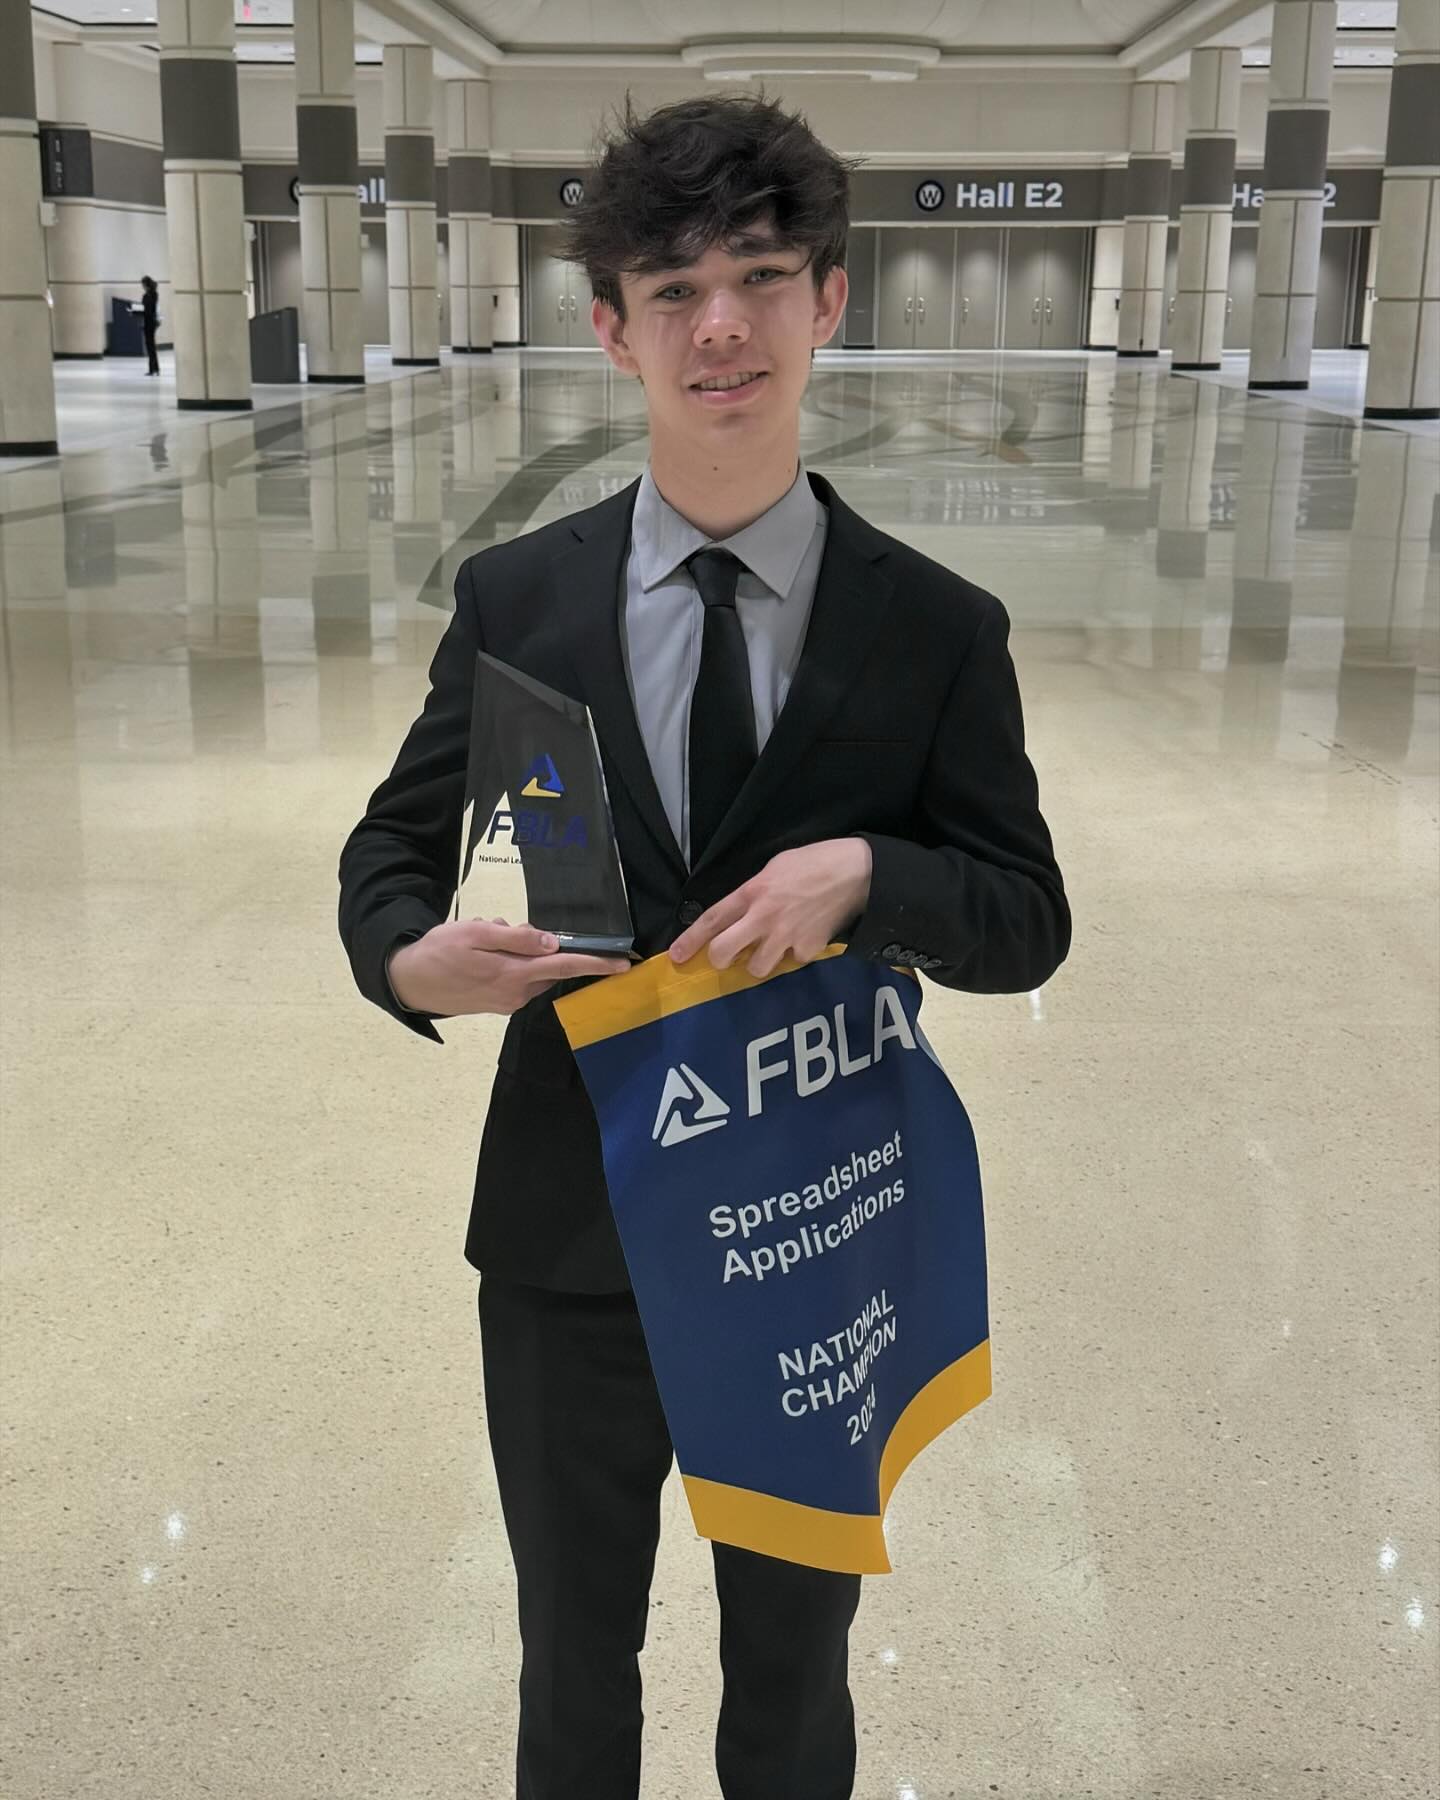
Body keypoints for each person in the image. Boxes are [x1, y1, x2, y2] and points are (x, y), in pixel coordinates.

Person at [337, 92, 1070, 1800]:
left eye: (758, 275)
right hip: (567, 1236)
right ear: (612, 331)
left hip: (809, 1237)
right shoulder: (525, 599)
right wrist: (403, 957)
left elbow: (1024, 917)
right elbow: (394, 841)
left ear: (830, 298)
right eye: (671, 290)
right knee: (570, 1668)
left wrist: (871, 876)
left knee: (792, 1679)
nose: (718, 324)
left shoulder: (936, 630)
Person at [139, 276, 160, 376]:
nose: (142, 287)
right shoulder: (146, 295)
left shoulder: (153, 295)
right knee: (150, 346)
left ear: (147, 285)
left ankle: (154, 369)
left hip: (150, 323)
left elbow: (150, 309)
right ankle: (154, 369)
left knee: (151, 346)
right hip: (147, 322)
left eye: (143, 285)